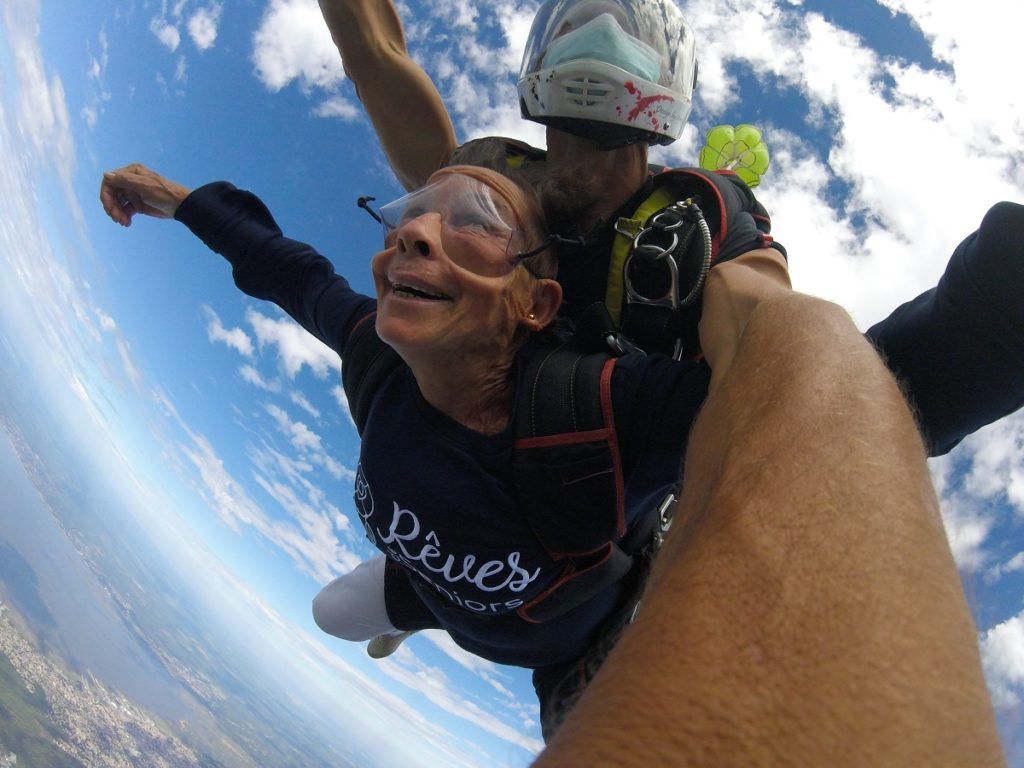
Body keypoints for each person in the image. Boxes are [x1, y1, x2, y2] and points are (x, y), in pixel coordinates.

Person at [99, 162, 1005, 765]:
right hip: (435, 586)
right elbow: (284, 266)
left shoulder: (597, 410)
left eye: (474, 224)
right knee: (334, 611)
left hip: (571, 654)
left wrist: (999, 302)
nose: (413, 235)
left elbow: (816, 408)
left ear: (537, 304)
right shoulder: (377, 358)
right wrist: (176, 200)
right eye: (411, 217)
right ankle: (409, 615)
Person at [319, 0, 1024, 451]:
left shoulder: (695, 216)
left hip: (588, 501)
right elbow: (376, 60)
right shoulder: (488, 183)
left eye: (627, 34)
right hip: (456, 444)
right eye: (575, 26)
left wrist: (965, 339)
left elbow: (762, 324)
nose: (596, 39)